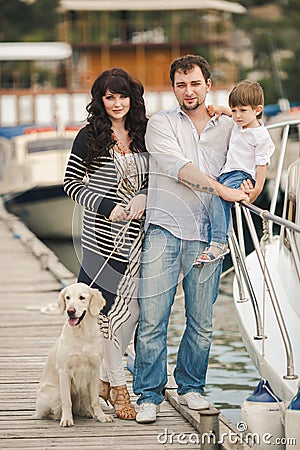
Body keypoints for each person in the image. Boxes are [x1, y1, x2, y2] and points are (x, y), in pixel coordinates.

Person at [132, 54, 249, 424]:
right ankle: (148, 395)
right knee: (153, 319)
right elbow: (178, 169)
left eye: (195, 83)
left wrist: (248, 187)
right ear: (173, 88)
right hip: (164, 230)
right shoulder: (160, 124)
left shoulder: (229, 127)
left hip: (208, 234)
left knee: (202, 320)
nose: (188, 91)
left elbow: (250, 159)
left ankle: (191, 388)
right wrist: (221, 189)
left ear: (208, 85)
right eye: (181, 85)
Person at [63, 68, 148, 420]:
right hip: (102, 241)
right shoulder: (89, 137)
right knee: (108, 315)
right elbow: (70, 183)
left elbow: (157, 175)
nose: (116, 103)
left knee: (136, 314)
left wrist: (144, 196)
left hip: (142, 238)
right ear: (100, 100)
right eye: (109, 97)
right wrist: (106, 206)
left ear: (132, 98)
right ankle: (119, 386)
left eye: (122, 95)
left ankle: (103, 379)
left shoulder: (144, 133)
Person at [194, 80, 275, 265]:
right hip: (227, 173)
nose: (237, 116)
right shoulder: (241, 124)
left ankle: (219, 243)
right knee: (217, 203)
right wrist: (222, 109)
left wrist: (257, 190)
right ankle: (221, 237)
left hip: (241, 174)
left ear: (258, 109)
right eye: (234, 110)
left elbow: (262, 164)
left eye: (243, 111)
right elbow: (232, 113)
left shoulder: (261, 136)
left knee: (217, 198)